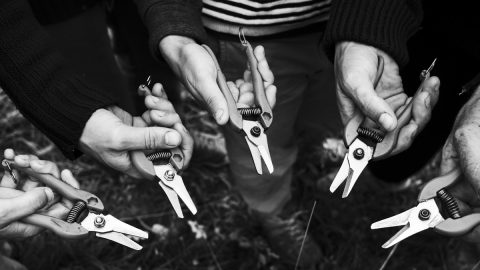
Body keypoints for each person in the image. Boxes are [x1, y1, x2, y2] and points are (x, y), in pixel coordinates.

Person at [130, 0, 440, 267]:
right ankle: (270, 207)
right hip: (240, 32)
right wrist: (173, 25)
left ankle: (303, 150)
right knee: (258, 154)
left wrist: (369, 24)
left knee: (328, 115)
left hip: (342, 27)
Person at [325, 0, 480, 239]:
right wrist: (364, 25)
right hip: (415, 25)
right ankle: (383, 176)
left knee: (422, 132)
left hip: (470, 65)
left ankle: (388, 177)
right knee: (397, 140)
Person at [0, 0, 193, 178]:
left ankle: (161, 144)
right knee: (103, 89)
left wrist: (173, 23)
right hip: (62, 6)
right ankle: (122, 170)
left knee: (154, 68)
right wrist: (78, 116)